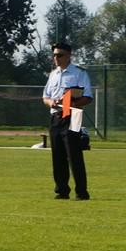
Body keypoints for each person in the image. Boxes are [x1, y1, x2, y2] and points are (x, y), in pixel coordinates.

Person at [42, 42, 93, 200]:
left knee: (74, 155)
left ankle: (81, 192)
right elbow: (45, 96)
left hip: (73, 115)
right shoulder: (53, 74)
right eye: (54, 55)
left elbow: (87, 97)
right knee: (57, 155)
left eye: (60, 55)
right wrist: (51, 102)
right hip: (56, 116)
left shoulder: (79, 73)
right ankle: (62, 191)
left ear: (69, 55)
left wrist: (70, 103)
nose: (56, 58)